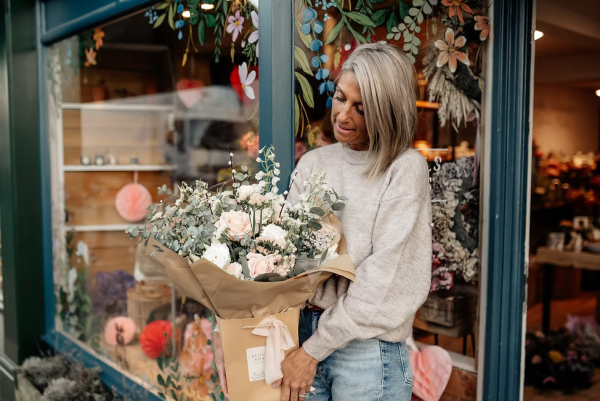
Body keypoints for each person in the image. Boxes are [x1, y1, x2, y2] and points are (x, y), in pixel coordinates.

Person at [214, 42, 432, 401]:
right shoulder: (316, 162)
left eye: (361, 108)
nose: (343, 116)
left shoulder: (404, 168)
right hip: (298, 333)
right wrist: (228, 323)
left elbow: (384, 278)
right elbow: (279, 258)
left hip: (365, 349)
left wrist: (315, 350)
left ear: (387, 112)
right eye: (341, 98)